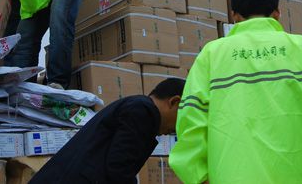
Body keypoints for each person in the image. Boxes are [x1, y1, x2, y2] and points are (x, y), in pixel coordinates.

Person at [169, 0, 302, 183]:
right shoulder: (301, 48)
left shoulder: (211, 54)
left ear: (234, 16)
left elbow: (191, 119)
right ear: (277, 13)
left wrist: (197, 176)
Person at [29, 78, 185, 184]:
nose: (177, 129)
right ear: (174, 102)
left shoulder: (137, 106)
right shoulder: (143, 111)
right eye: (184, 118)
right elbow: (119, 170)